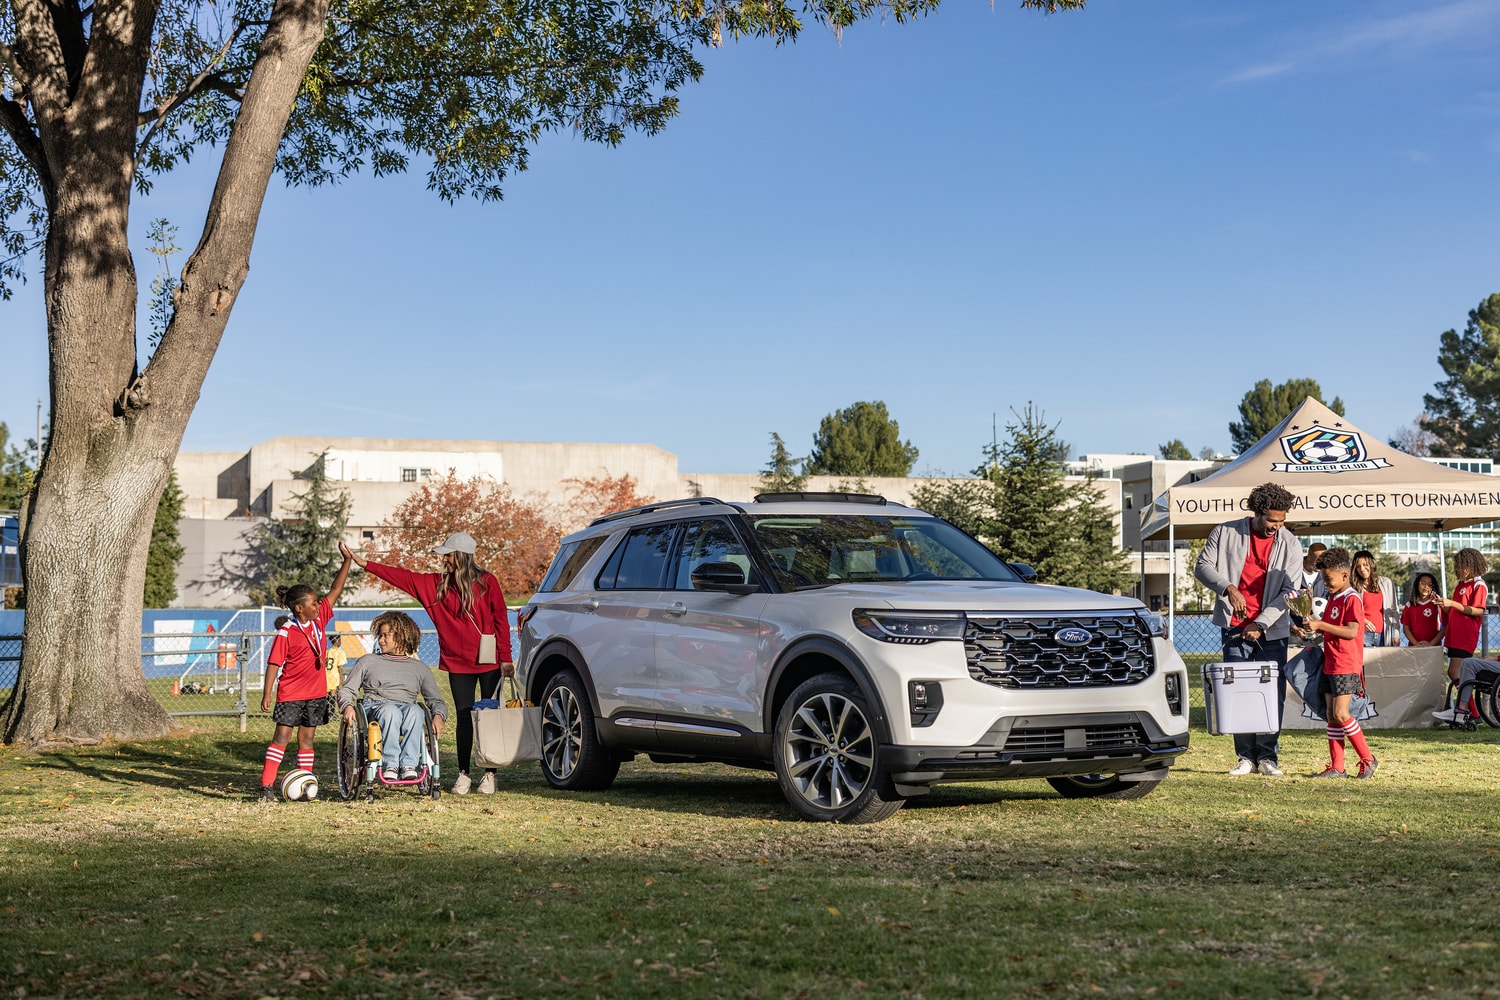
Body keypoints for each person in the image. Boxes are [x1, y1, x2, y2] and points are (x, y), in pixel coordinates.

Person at [342, 534, 513, 794]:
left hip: (489, 661)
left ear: (462, 556)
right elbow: (402, 577)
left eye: (448, 554)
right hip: (458, 664)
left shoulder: (487, 582)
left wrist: (506, 658)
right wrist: (365, 564)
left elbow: (501, 620)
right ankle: (464, 773)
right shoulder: (436, 585)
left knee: (489, 717)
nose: (444, 559)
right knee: (465, 718)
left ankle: (489, 774)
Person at [1195, 482, 1304, 777]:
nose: (1276, 527)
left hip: (1273, 629)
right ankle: (1245, 757)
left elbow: (1290, 592)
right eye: (1271, 520)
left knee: (1273, 692)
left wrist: (1261, 622)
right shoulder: (1225, 532)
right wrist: (1228, 588)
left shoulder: (1291, 543)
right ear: (1257, 512)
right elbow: (1203, 566)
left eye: (1281, 522)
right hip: (1233, 627)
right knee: (1238, 692)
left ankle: (1269, 757)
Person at [258, 549, 354, 802]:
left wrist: (347, 562)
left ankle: (305, 785)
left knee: (307, 738)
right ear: (299, 608)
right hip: (291, 693)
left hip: (316, 694)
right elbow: (273, 664)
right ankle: (266, 786)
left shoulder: (319, 620)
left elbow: (335, 590)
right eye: (313, 603)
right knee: (282, 736)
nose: (318, 605)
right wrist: (268, 692)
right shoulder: (287, 632)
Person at [1293, 547, 1378, 779]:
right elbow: (1332, 630)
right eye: (1323, 579)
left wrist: (1321, 626)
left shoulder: (1352, 598)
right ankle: (1338, 766)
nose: (1326, 584)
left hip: (1346, 664)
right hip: (1330, 662)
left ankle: (1368, 759)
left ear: (1344, 575)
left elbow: (1351, 632)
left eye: (1328, 579)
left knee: (1341, 713)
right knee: (1331, 715)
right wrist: (1312, 630)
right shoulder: (1333, 598)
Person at [338, 611, 448, 781]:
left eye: (385, 636)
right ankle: (391, 764)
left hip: (406, 708)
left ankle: (408, 765)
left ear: (402, 636)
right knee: (391, 711)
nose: (380, 640)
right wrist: (347, 705)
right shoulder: (367, 661)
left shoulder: (419, 668)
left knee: (416, 711)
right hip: (375, 708)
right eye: (380, 636)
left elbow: (435, 700)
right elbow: (347, 690)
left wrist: (439, 716)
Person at [1433, 548, 1489, 723]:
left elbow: (1477, 610)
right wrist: (1445, 605)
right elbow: (1455, 610)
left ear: (1471, 565)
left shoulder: (1478, 585)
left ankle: (1469, 712)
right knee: (1457, 672)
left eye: (1461, 565)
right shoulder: (1461, 585)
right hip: (1454, 634)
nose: (1458, 569)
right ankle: (1468, 711)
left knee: (1455, 671)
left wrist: (1453, 604)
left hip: (1465, 635)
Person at [1352, 550, 1396, 647]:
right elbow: (1350, 610)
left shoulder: (1386, 583)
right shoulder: (1354, 586)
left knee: (1383, 662)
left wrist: (1395, 634)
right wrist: (1363, 620)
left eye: (1365, 564)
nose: (1362, 569)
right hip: (1363, 634)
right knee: (1364, 662)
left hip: (1383, 635)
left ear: (1372, 564)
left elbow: (1393, 609)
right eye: (1358, 566)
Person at [1400, 572, 1444, 648]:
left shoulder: (1438, 604)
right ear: (1417, 584)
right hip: (1414, 647)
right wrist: (1416, 643)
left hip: (1433, 647)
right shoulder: (1409, 605)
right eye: (1423, 583)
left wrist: (1431, 643)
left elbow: (1445, 627)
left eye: (1430, 585)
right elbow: (1406, 628)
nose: (1426, 586)